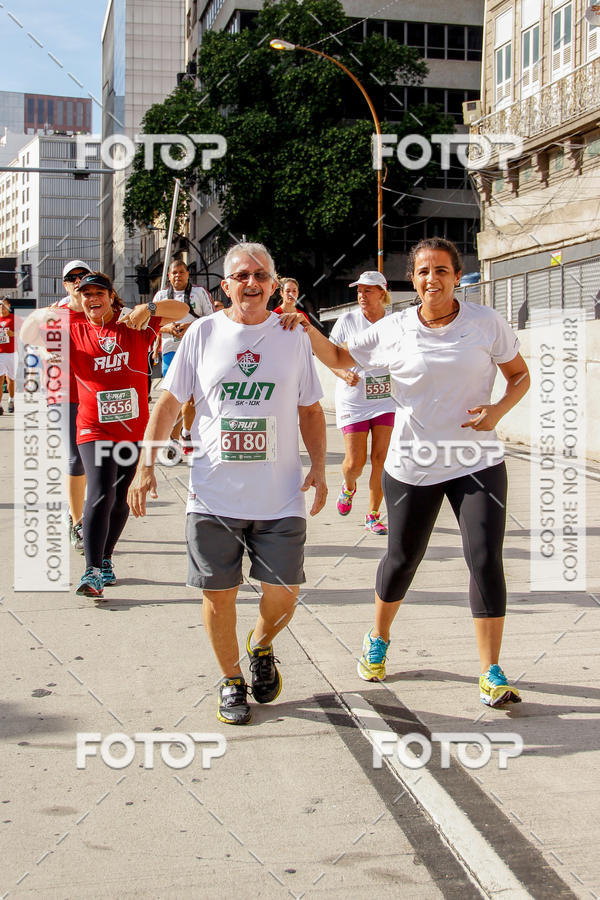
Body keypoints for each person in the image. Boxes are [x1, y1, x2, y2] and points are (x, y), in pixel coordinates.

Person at [281, 238, 530, 709]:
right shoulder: (393, 328)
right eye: (422, 272)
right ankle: (377, 638)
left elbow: (519, 375)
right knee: (402, 560)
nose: (431, 279)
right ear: (411, 281)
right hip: (413, 465)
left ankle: (491, 670)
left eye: (441, 270)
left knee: (483, 559)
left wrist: (498, 411)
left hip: (477, 462)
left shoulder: (485, 323)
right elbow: (338, 358)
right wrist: (305, 326)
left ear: (457, 276)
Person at [128, 241, 327, 726]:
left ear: (274, 285)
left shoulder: (293, 336)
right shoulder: (202, 333)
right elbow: (170, 404)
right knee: (218, 595)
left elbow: (310, 409)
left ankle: (261, 645)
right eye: (241, 276)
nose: (252, 283)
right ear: (225, 286)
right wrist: (145, 464)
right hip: (213, 493)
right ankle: (232, 680)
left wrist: (320, 467)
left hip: (279, 496)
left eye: (261, 275)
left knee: (284, 593)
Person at [69, 272, 188, 598]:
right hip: (93, 429)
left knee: (120, 498)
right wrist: (64, 303)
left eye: (99, 293)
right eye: (86, 294)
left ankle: (106, 559)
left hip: (134, 430)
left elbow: (181, 310)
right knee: (100, 492)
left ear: (111, 296)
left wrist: (148, 308)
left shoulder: (135, 326)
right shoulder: (73, 329)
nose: (92, 299)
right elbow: (31, 330)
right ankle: (92, 570)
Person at [328, 271, 395, 534]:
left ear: (382, 292)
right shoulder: (347, 320)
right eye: (359, 291)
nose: (362, 295)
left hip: (385, 398)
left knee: (381, 459)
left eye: (368, 290)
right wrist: (343, 372)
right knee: (354, 463)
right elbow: (331, 355)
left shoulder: (394, 322)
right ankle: (348, 486)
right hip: (354, 399)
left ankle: (373, 514)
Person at [153, 259, 214, 455]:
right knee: (174, 396)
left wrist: (192, 327)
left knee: (191, 397)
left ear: (188, 274)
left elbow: (213, 319)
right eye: (174, 273)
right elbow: (149, 324)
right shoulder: (161, 296)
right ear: (169, 276)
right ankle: (173, 439)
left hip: (197, 351)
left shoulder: (200, 293)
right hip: (171, 350)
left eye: (181, 272)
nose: (178, 275)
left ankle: (186, 433)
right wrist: (167, 328)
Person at [0, 297, 16, 414]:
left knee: (10, 379)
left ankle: (11, 400)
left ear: (9, 306)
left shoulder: (14, 318)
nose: (2, 307)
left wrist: (12, 333)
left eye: (4, 305)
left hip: (11, 353)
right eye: (0, 305)